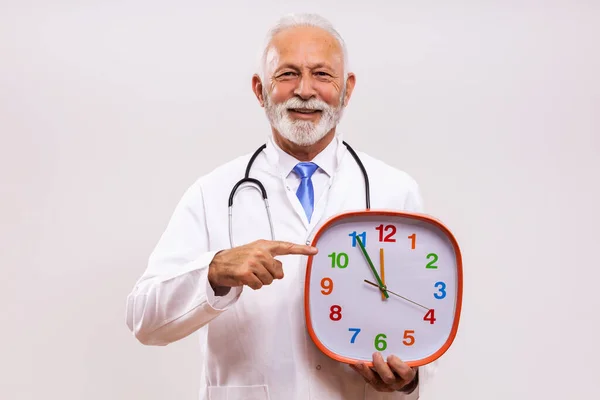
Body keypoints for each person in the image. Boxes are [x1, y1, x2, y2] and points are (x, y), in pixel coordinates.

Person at [126, 12, 437, 400]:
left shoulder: (396, 191)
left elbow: (424, 323)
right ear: (260, 90)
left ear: (347, 90)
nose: (305, 90)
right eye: (287, 74)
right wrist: (215, 271)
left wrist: (409, 379)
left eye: (322, 75)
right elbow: (143, 319)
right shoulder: (213, 193)